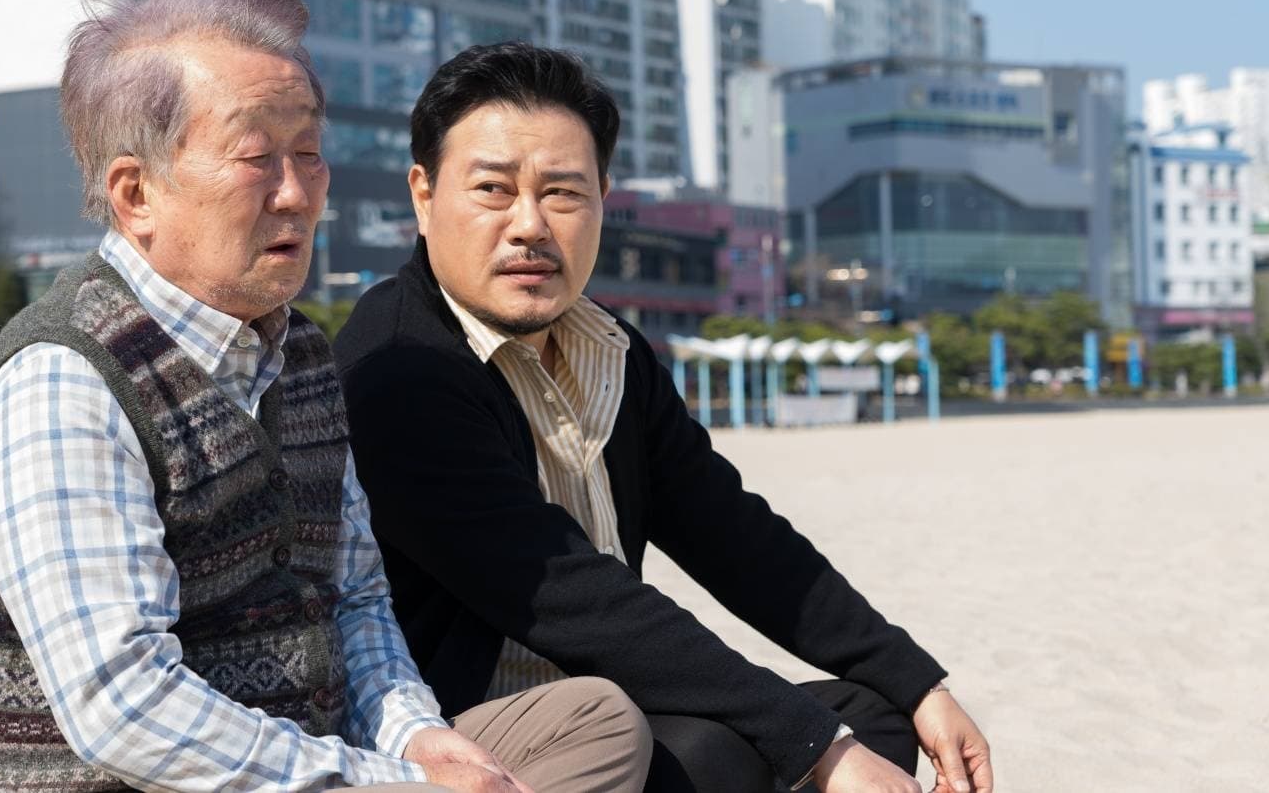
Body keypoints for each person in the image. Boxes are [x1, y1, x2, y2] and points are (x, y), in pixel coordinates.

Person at [0, 0, 650, 793]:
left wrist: (418, 739)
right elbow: (124, 708)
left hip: (309, 762)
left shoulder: (296, 354)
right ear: (136, 192)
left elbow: (356, 598)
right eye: (257, 158)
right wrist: (397, 788)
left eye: (309, 153)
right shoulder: (64, 384)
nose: (297, 193)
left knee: (597, 722)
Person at [332, 42, 994, 793]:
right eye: (493, 189)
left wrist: (916, 682)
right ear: (423, 196)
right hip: (472, 735)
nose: (529, 226)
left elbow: (734, 535)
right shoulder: (401, 369)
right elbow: (574, 599)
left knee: (872, 713)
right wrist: (817, 747)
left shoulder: (608, 348)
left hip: (618, 702)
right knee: (736, 753)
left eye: (563, 193)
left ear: (603, 198)